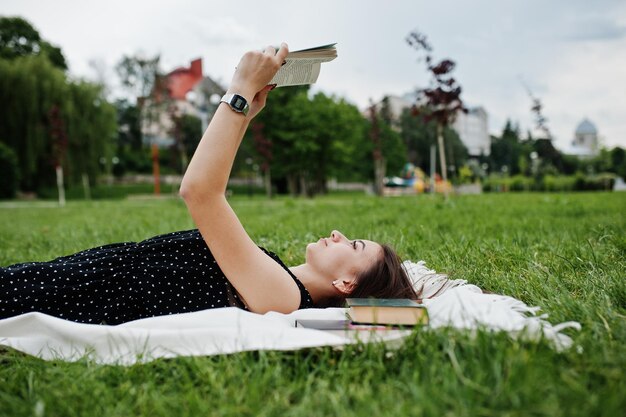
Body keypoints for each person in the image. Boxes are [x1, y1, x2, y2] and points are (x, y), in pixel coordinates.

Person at [0, 44, 417, 325]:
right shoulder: (272, 274)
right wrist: (247, 113)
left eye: (355, 245)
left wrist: (238, 91)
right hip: (73, 278)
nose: (339, 234)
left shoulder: (283, 298)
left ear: (347, 285)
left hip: (73, 297)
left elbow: (200, 192)